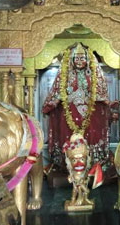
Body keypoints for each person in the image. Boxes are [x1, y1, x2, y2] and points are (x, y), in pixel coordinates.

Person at [42, 43, 111, 171]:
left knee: (91, 135)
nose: (79, 61)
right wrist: (54, 102)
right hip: (69, 114)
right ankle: (67, 162)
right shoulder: (65, 75)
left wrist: (103, 99)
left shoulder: (92, 75)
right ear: (71, 60)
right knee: (67, 134)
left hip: (90, 114)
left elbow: (100, 92)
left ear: (88, 59)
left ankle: (92, 163)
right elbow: (58, 92)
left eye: (82, 58)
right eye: (77, 58)